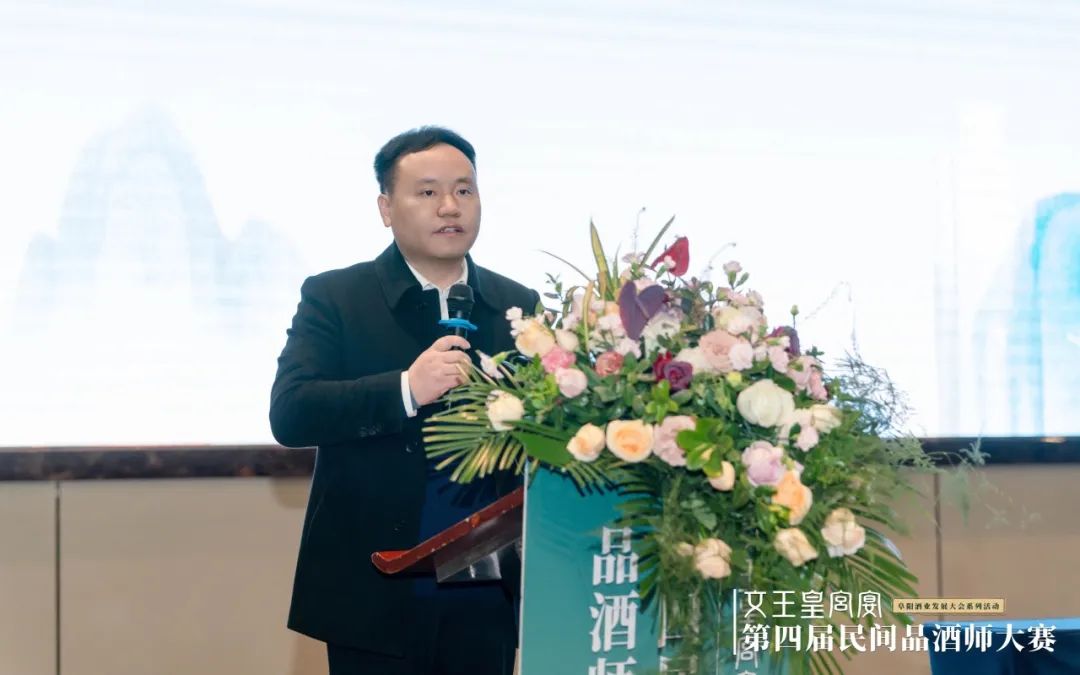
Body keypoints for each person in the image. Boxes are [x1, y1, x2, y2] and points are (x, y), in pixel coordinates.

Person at [270, 126, 538, 675]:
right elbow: (292, 412)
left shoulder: (516, 304)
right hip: (376, 589)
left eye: (464, 190)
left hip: (486, 589)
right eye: (428, 192)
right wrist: (405, 389)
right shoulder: (337, 297)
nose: (450, 206)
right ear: (386, 209)